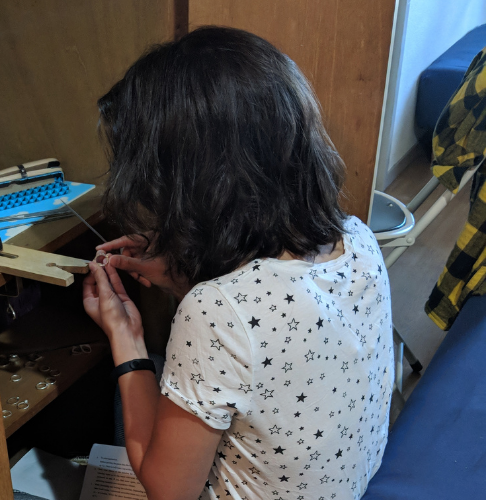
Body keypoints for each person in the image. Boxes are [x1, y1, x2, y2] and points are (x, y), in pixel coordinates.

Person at [82, 27, 394, 500]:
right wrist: (183, 271)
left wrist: (126, 337)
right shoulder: (356, 236)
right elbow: (263, 341)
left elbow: (170, 492)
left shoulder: (216, 312)